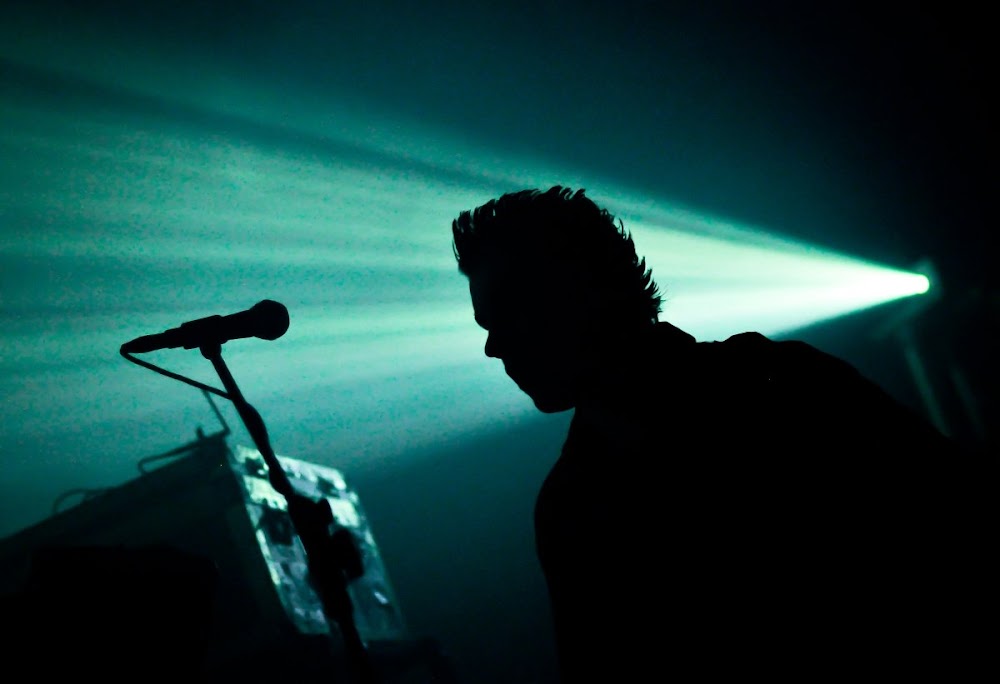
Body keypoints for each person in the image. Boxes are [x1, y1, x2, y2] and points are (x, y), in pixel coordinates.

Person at [450, 186, 992, 681]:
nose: (493, 347)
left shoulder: (780, 386)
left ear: (576, 292)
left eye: (505, 315)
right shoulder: (571, 504)